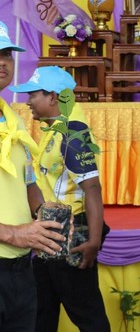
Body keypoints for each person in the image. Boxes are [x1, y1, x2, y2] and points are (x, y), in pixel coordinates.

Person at [10, 65, 110, 332]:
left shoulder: (72, 133)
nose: (28, 101)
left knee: (88, 316)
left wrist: (93, 241)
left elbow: (92, 188)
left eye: (33, 95)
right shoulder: (55, 129)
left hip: (71, 235)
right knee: (42, 312)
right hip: (50, 232)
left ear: (53, 97)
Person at [0, 21, 66, 331]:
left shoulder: (13, 118)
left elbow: (28, 181)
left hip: (19, 267)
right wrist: (12, 233)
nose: (3, 62)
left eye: (7, 54)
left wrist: (44, 215)